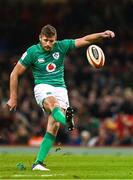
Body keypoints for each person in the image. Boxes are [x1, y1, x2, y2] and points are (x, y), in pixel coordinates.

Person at [7, 24, 115, 171]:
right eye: (45, 40)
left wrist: (102, 34)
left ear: (55, 40)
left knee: (54, 125)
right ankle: (67, 120)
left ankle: (38, 163)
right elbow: (15, 73)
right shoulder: (32, 52)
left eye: (51, 41)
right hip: (42, 86)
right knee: (53, 104)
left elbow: (85, 40)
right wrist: (13, 98)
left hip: (60, 88)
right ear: (40, 38)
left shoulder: (61, 46)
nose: (48, 44)